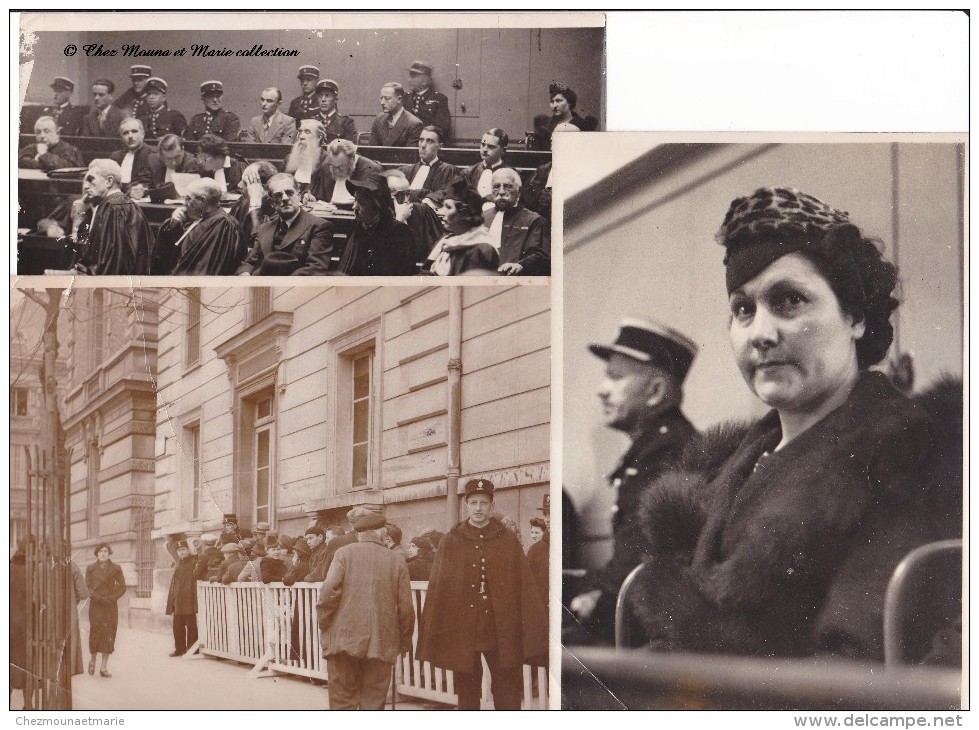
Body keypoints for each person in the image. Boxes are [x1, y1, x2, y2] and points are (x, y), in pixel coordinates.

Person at [624, 187, 962, 661]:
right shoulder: (727, 467)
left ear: (855, 317)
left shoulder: (910, 455)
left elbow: (851, 670)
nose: (760, 334)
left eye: (789, 301)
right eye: (743, 309)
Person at [566, 317, 698, 646]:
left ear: (655, 391)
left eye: (615, 377)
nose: (602, 389)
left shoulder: (666, 454)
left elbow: (636, 568)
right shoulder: (656, 449)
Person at [417, 478, 548, 710]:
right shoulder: (451, 540)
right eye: (474, 503)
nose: (478, 508)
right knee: (467, 691)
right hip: (464, 629)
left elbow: (523, 585)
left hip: (501, 629)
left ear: (492, 505)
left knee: (507, 688)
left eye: (484, 503)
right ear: (466, 505)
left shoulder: (507, 539)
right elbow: (440, 588)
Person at [317, 512, 416, 710]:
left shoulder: (343, 554)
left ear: (358, 533)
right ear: (382, 532)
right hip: (382, 643)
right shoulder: (396, 560)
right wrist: (403, 641)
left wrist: (325, 623)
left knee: (342, 704)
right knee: (373, 705)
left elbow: (328, 592)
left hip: (343, 640)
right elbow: (406, 608)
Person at [236, 172, 335, 276]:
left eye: (289, 192)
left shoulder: (319, 226)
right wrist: (245, 273)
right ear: (272, 203)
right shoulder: (265, 229)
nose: (285, 198)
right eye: (278, 195)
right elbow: (249, 262)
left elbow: (315, 269)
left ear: (299, 195)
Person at [68, 158, 154, 275]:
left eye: (90, 180)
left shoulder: (114, 207)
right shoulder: (117, 204)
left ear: (109, 181)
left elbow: (110, 264)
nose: (85, 187)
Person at [156, 177, 244, 275]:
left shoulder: (224, 226)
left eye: (188, 198)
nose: (184, 203)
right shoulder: (200, 217)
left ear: (203, 200)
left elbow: (204, 269)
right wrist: (174, 223)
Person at [336, 174, 417, 276]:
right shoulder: (355, 229)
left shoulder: (401, 232)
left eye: (361, 203)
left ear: (377, 206)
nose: (354, 207)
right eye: (355, 200)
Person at [483, 167, 550, 276]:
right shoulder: (483, 217)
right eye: (496, 186)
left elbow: (541, 254)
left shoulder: (534, 220)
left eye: (508, 186)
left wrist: (521, 265)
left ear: (519, 190)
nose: (501, 192)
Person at [426, 179, 499, 276]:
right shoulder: (447, 240)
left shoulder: (481, 250)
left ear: (464, 213)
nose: (441, 212)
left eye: (448, 207)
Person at [384, 169, 444, 264]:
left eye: (408, 193)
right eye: (400, 195)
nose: (406, 200)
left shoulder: (420, 210)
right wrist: (399, 220)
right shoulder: (376, 216)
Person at [85, 543, 126, 678]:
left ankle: (103, 667)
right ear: (97, 553)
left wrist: (111, 598)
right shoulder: (90, 569)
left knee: (108, 635)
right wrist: (98, 598)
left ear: (109, 553)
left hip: (110, 606)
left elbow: (122, 587)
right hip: (96, 606)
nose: (103, 553)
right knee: (95, 633)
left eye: (106, 551)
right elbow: (87, 587)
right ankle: (92, 659)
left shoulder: (116, 568)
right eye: (101, 551)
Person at [313, 138, 382, 204]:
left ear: (352, 160)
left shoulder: (371, 170)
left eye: (341, 167)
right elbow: (320, 196)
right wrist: (311, 197)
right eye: (333, 167)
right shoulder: (327, 166)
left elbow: (375, 205)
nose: (336, 171)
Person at [398, 125, 458, 197]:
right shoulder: (405, 170)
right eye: (421, 140)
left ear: (440, 146)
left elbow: (443, 196)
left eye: (429, 141)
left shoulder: (448, 170)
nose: (423, 145)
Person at [166, 539, 199, 657]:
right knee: (177, 627)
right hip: (178, 601)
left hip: (189, 600)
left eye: (183, 550)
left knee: (191, 626)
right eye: (179, 551)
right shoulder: (178, 564)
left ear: (189, 550)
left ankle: (192, 650)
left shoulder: (194, 562)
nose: (181, 552)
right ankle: (179, 649)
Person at [404, 61, 452, 142]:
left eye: (413, 77)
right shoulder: (405, 98)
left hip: (428, 143)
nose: (409, 80)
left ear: (425, 81)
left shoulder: (439, 99)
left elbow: (442, 128)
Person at [460, 128, 512, 201]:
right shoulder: (468, 173)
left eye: (491, 146)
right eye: (483, 144)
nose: (484, 149)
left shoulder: (512, 174)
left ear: (503, 150)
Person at [282, 119, 330, 196]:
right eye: (300, 132)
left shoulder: (327, 160)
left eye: (307, 132)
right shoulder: (289, 159)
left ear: (319, 137)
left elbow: (326, 194)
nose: (301, 136)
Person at [109, 117, 155, 196]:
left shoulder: (154, 154)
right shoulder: (115, 157)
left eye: (134, 131)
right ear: (122, 138)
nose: (130, 136)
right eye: (125, 133)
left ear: (142, 134)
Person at [18, 115, 83, 171]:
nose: (42, 135)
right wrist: (44, 164)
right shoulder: (33, 148)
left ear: (57, 133)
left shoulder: (69, 150)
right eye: (38, 132)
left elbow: (68, 168)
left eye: (46, 131)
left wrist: (44, 154)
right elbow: (19, 160)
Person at [369, 82, 424, 147]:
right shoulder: (379, 119)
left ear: (399, 99)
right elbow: (371, 150)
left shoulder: (414, 124)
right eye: (381, 98)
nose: (382, 102)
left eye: (387, 98)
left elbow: (410, 155)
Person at [312, 79, 357, 143]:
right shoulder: (312, 121)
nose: (323, 99)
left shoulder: (346, 122)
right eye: (320, 96)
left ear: (335, 99)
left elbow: (350, 148)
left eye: (327, 95)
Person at [526, 517, 549, 610]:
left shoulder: (535, 549)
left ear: (544, 533)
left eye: (537, 533)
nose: (533, 536)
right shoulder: (534, 548)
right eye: (532, 532)